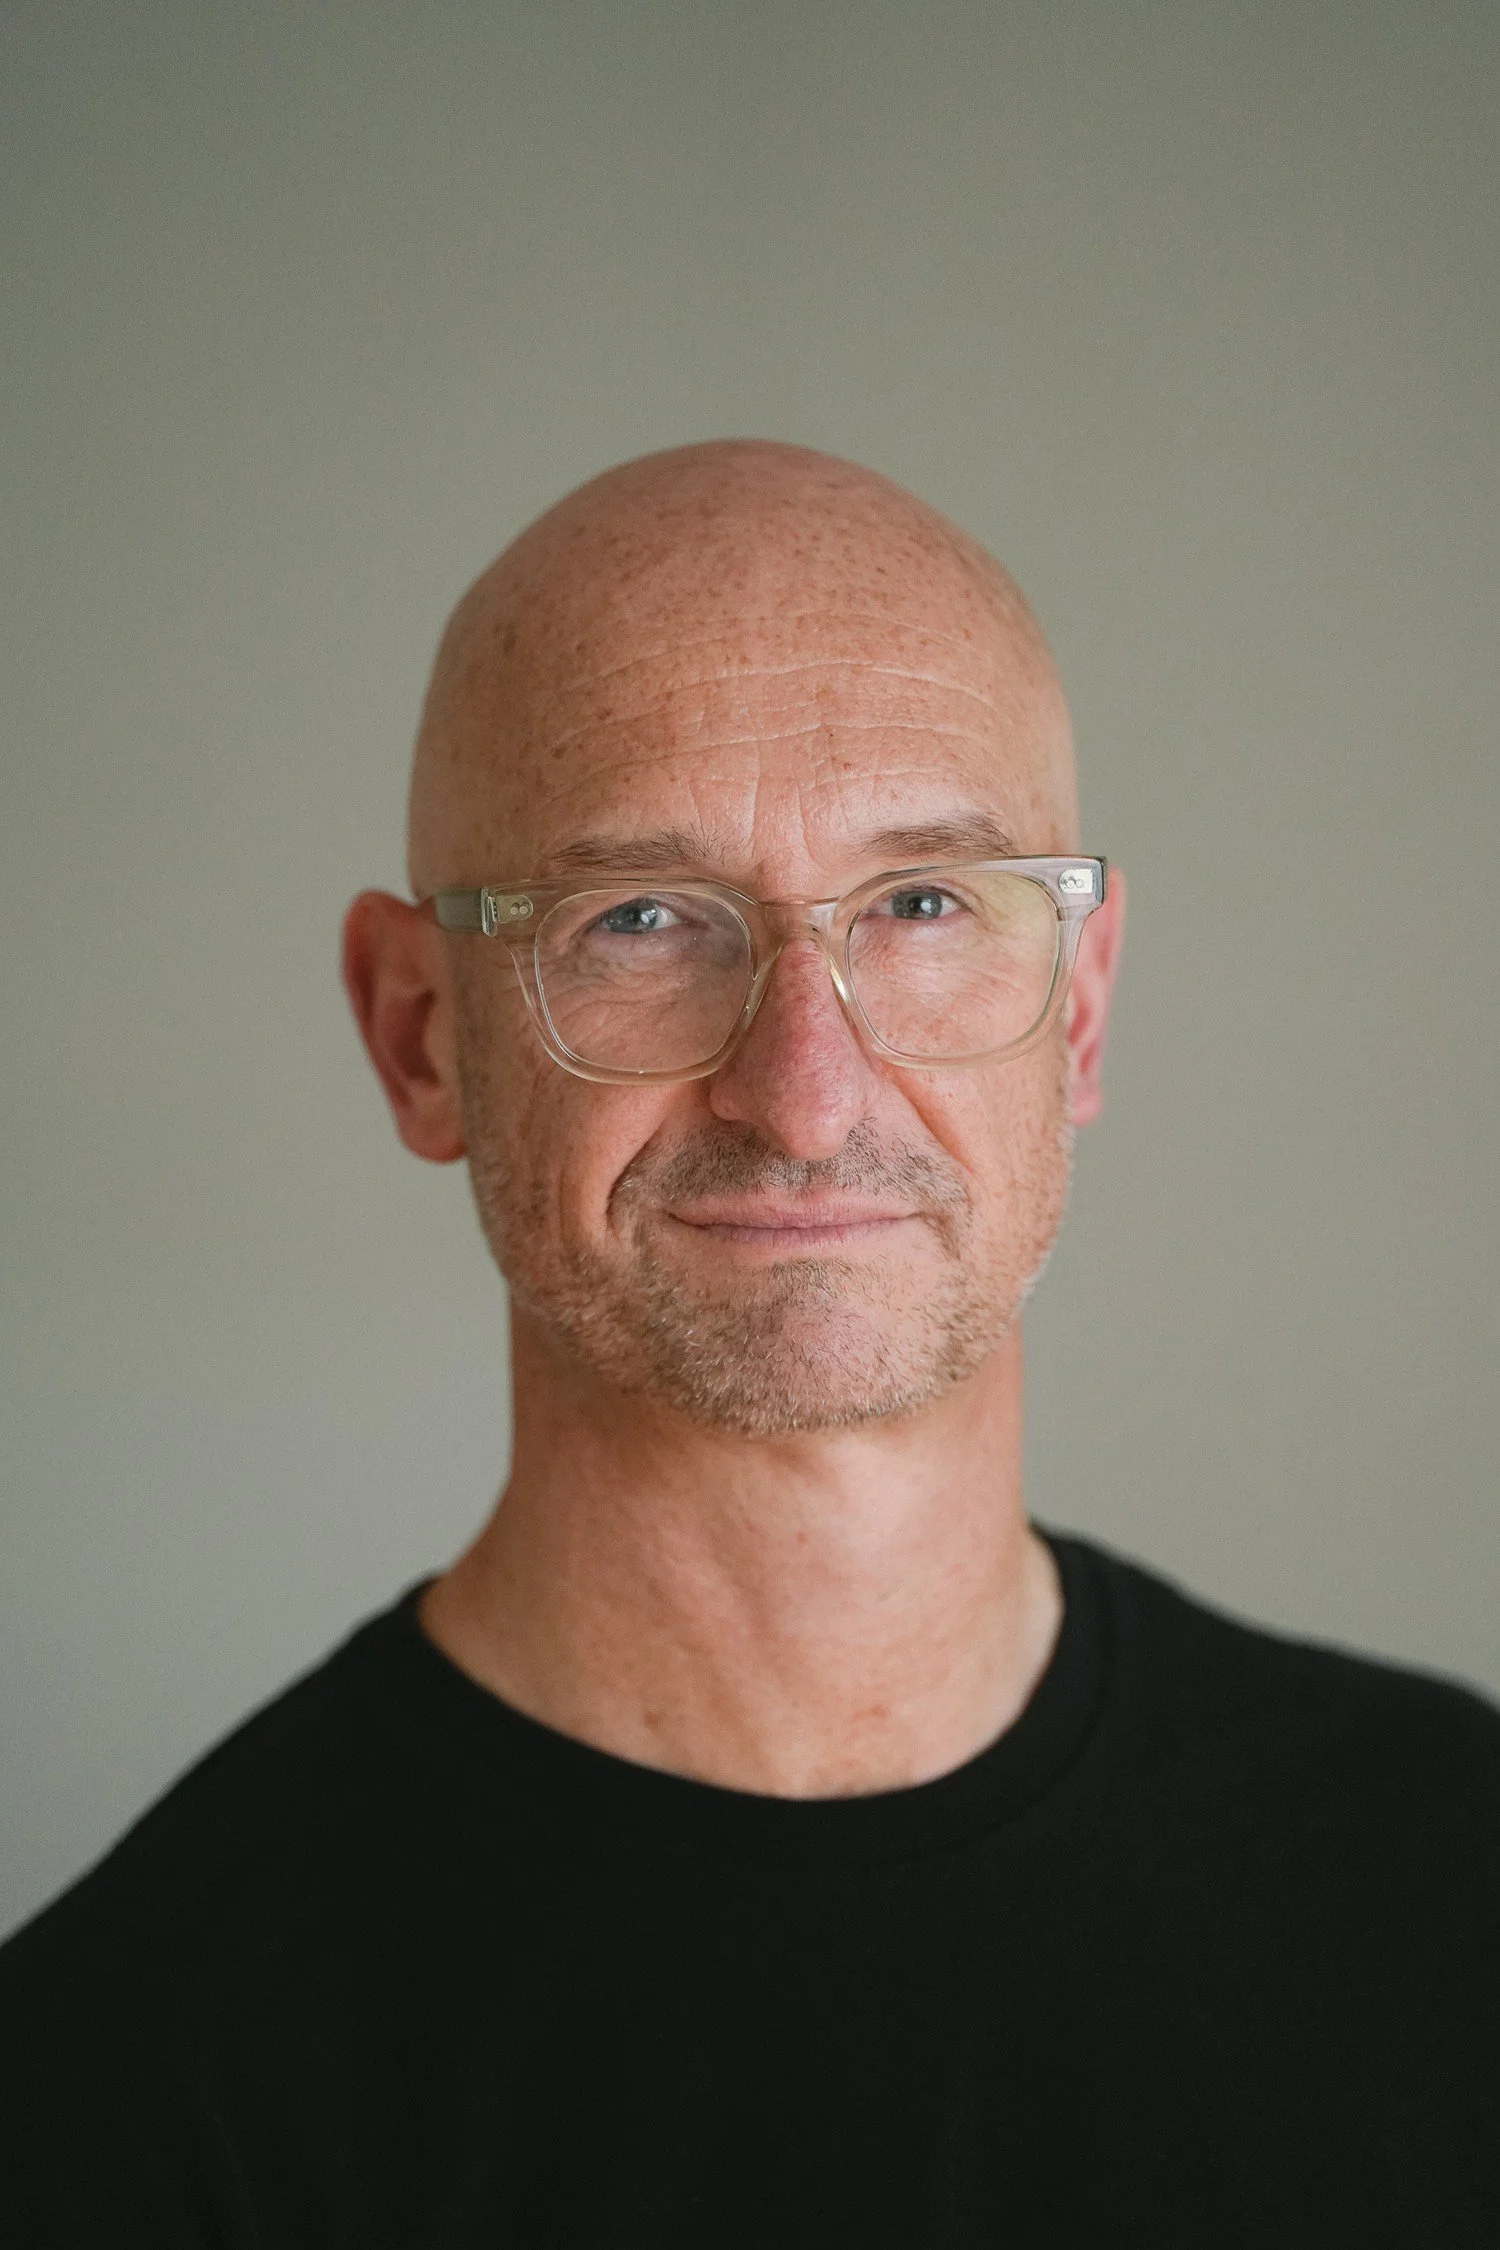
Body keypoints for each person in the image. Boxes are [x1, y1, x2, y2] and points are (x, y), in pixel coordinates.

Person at [1, 441, 1495, 2248]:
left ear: (1079, 1013)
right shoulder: (124, 2092)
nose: (803, 1092)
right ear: (422, 1036)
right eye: (641, 919)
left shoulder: (1450, 1876)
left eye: (925, 904)